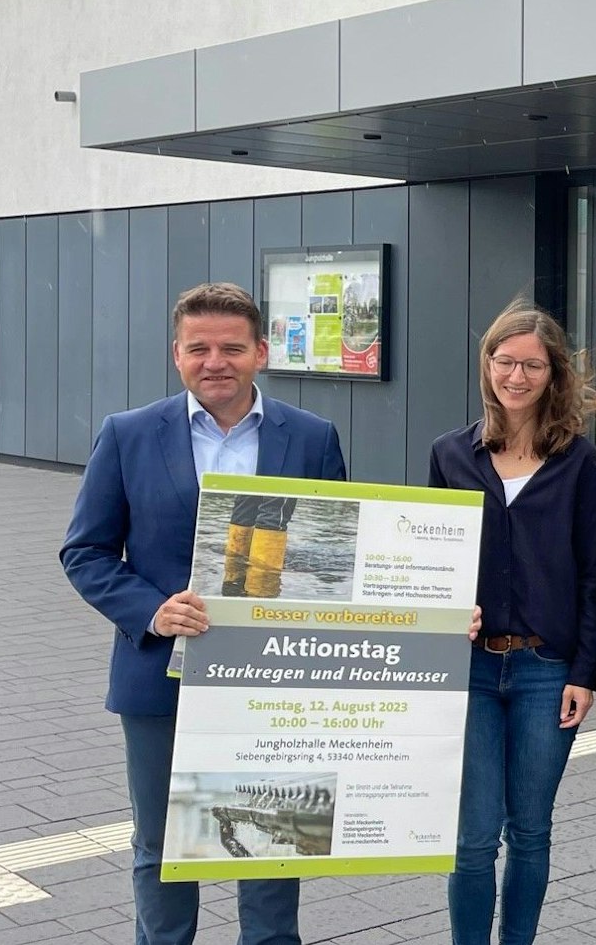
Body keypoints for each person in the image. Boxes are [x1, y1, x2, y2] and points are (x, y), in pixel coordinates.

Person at [60, 282, 347, 945]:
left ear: (261, 352)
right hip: (161, 676)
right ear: (177, 354)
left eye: (232, 348)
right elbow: (85, 550)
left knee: (272, 840)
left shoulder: (312, 437)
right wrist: (152, 610)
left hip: (273, 680)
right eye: (199, 348)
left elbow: (334, 556)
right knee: (163, 847)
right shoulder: (128, 434)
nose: (215, 361)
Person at [428, 300, 596, 945]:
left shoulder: (582, 463)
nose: (517, 376)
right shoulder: (449, 455)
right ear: (488, 366)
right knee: (473, 836)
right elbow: (428, 559)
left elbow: (590, 576)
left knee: (530, 831)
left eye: (533, 365)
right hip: (471, 669)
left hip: (545, 670)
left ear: (553, 373)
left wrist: (585, 672)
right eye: (505, 362)